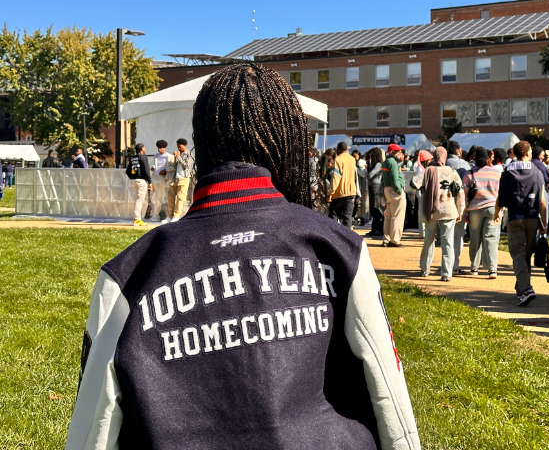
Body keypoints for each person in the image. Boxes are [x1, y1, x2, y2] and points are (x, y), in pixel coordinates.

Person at [66, 64, 420, 449]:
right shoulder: (338, 248)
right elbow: (392, 406)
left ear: (201, 143)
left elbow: (91, 432)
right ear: (288, 141)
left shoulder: (129, 273)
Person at [497, 141, 547, 306]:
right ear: (527, 153)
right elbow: (542, 202)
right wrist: (544, 223)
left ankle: (525, 289)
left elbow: (500, 196)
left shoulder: (507, 171)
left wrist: (497, 212)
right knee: (526, 253)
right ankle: (522, 289)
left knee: (517, 253)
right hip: (532, 216)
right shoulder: (537, 172)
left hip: (515, 216)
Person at [416, 147, 465, 281]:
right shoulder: (452, 172)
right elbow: (460, 192)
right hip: (448, 209)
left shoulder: (427, 171)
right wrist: (460, 210)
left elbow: (412, 184)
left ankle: (425, 268)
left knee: (429, 240)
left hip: (430, 209)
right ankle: (446, 273)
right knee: (447, 242)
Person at [462, 147, 502, 279]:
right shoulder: (496, 173)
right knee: (490, 238)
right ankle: (492, 269)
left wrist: (464, 213)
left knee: (475, 238)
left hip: (474, 210)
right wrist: (500, 211)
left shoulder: (469, 174)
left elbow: (464, 196)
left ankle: (474, 267)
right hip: (492, 208)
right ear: (487, 159)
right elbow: (501, 194)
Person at [444, 140, 472, 274]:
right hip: (460, 202)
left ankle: (446, 264)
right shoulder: (464, 164)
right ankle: (454, 264)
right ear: (457, 151)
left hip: (443, 202)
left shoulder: (442, 164)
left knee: (445, 235)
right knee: (458, 235)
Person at [161, 138, 195, 224]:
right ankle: (170, 215)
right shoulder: (180, 154)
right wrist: (176, 158)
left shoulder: (189, 154)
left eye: (179, 146)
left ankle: (176, 216)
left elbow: (186, 166)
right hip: (175, 178)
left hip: (184, 178)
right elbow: (176, 166)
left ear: (184, 145)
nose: (178, 148)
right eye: (177, 147)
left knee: (180, 198)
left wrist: (178, 157)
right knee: (170, 197)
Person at [382, 143, 407, 247]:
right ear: (391, 152)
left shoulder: (386, 162)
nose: (399, 153)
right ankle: (395, 240)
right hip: (395, 191)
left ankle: (386, 239)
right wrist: (400, 191)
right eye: (397, 151)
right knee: (397, 216)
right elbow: (394, 180)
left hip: (387, 190)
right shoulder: (392, 162)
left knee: (389, 216)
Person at [329, 142, 358, 228]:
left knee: (333, 214)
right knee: (347, 217)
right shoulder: (352, 159)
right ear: (346, 150)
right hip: (351, 192)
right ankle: (348, 238)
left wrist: (331, 193)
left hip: (339, 193)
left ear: (338, 149)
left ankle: (333, 237)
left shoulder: (338, 159)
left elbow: (336, 177)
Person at [125, 143, 152, 227]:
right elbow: (146, 170)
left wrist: (133, 177)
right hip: (141, 180)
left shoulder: (133, 158)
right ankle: (137, 219)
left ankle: (137, 218)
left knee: (137, 199)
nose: (145, 149)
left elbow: (127, 171)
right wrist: (149, 181)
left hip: (134, 180)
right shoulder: (143, 157)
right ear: (141, 149)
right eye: (144, 147)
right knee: (139, 199)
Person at [149, 140, 174, 222]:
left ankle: (156, 215)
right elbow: (155, 165)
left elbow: (173, 167)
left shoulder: (169, 156)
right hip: (154, 177)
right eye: (158, 148)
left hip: (162, 178)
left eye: (161, 148)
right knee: (151, 197)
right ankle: (151, 214)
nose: (159, 150)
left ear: (164, 148)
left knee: (159, 198)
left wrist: (165, 170)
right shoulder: (156, 156)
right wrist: (153, 167)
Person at [366, 148, 385, 238]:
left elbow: (369, 176)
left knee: (376, 207)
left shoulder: (378, 164)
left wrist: (367, 170)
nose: (371, 157)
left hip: (375, 187)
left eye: (372, 155)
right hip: (373, 186)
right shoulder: (376, 164)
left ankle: (378, 229)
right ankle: (374, 229)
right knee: (373, 208)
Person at [414, 150, 433, 239]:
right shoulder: (420, 169)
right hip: (422, 191)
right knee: (422, 212)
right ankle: (422, 233)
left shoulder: (421, 168)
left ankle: (424, 233)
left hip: (424, 191)